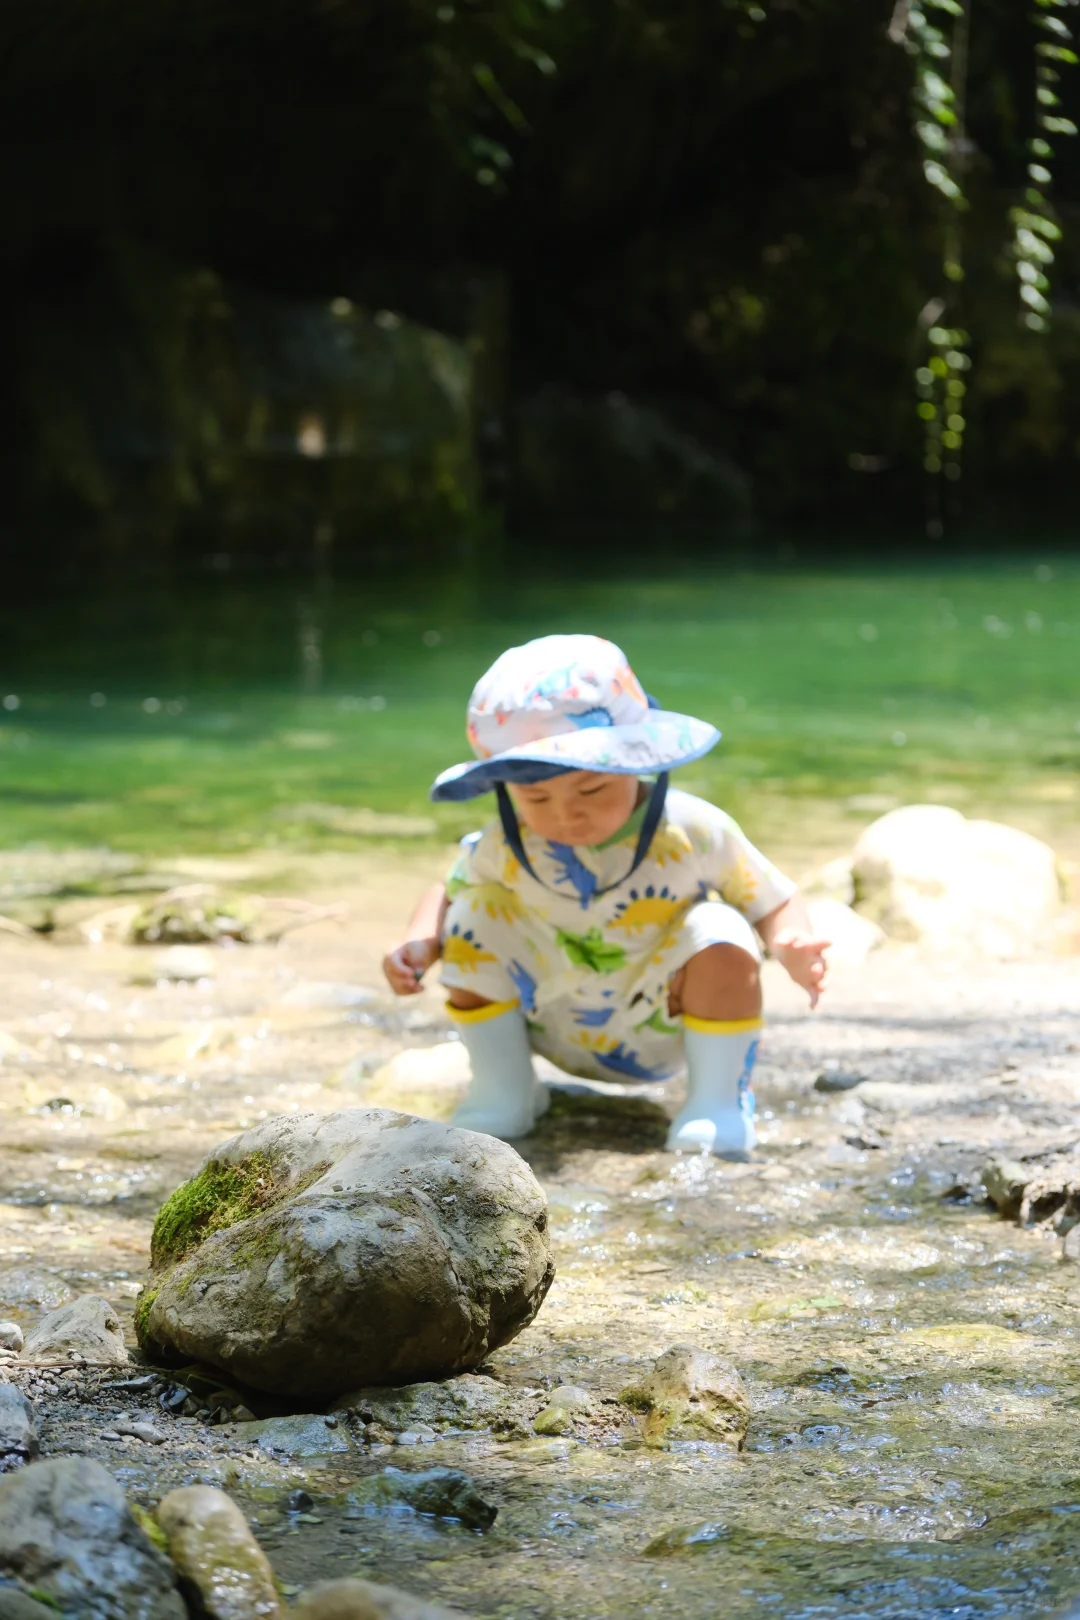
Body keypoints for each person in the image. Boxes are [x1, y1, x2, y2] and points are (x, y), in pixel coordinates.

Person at [382, 634, 828, 1157]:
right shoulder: (509, 840)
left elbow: (770, 898)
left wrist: (792, 942)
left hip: (663, 1020)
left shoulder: (692, 828)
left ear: (637, 760)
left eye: (591, 790)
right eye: (536, 797)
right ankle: (506, 1090)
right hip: (550, 1016)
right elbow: (448, 889)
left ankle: (717, 1102)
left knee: (722, 928)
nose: (565, 814)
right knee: (475, 913)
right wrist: (419, 942)